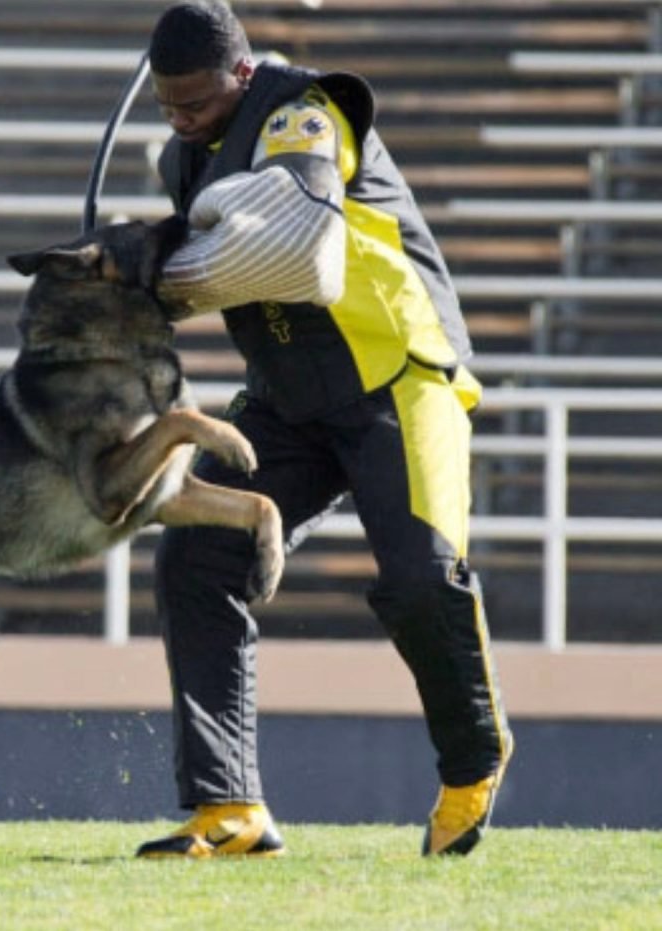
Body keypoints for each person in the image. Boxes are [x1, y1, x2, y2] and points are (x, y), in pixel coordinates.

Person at [135, 0, 513, 859]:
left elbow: (294, 246)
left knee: (421, 580)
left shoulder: (308, 112)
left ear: (241, 74)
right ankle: (228, 808)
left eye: (193, 104)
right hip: (288, 398)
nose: (181, 122)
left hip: (396, 374)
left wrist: (158, 279)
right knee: (198, 552)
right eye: (167, 106)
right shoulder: (182, 155)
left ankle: (472, 762)